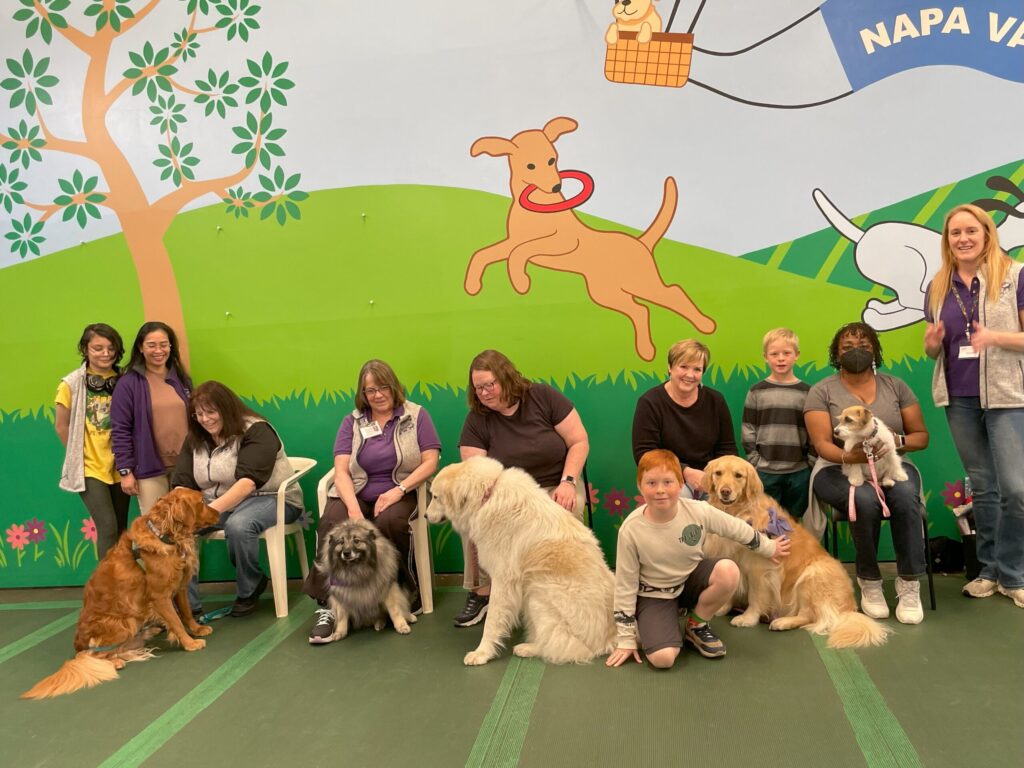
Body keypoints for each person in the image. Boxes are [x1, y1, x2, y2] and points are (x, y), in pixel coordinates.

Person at [924, 203, 1024, 608]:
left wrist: (995, 338)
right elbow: (936, 347)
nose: (962, 239)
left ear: (986, 233)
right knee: (982, 488)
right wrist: (932, 344)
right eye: (954, 233)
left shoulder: (1014, 275)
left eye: (970, 231)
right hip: (959, 397)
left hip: (1008, 395)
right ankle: (987, 571)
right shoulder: (938, 285)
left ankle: (1013, 572)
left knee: (1016, 491)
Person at [606, 450, 789, 670]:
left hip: (689, 582)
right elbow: (625, 584)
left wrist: (769, 547)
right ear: (640, 486)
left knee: (728, 570)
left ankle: (696, 625)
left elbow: (738, 528)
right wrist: (626, 639)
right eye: (651, 483)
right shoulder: (631, 529)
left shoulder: (698, 510)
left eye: (668, 482)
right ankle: (659, 624)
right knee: (664, 659)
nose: (661, 490)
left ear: (680, 484)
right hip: (655, 594)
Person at [304, 360, 440, 643]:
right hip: (357, 492)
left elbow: (431, 461)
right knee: (334, 523)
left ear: (394, 387)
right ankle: (328, 605)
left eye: (383, 388)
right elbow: (340, 470)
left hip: (400, 490)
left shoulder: (416, 415)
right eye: (370, 391)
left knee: (391, 522)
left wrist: (399, 490)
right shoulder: (352, 421)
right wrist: (354, 511)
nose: (377, 395)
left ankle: (404, 590)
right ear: (362, 394)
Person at [804, 322, 929, 624]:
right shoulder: (822, 390)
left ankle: (909, 583)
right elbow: (822, 444)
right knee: (863, 498)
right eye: (847, 346)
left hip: (891, 463)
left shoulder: (896, 386)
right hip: (837, 467)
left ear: (875, 350)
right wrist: (853, 455)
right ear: (836, 353)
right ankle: (869, 581)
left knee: (905, 495)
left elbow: (920, 437)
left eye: (863, 345)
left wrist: (895, 443)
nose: (856, 350)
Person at [456, 349, 589, 628]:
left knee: (567, 508)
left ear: (505, 377)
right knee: (473, 522)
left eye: (488, 385)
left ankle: (564, 591)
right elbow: (476, 472)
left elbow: (578, 441)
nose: (483, 393)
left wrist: (568, 482)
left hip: (555, 484)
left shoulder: (542, 396)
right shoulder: (477, 419)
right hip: (507, 494)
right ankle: (482, 594)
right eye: (477, 388)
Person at [171, 380, 303, 618]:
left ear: (227, 409)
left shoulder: (257, 430)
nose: (205, 419)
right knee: (179, 529)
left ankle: (250, 587)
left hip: (270, 498)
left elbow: (247, 483)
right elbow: (182, 481)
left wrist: (206, 513)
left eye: (211, 412)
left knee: (239, 525)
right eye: (199, 414)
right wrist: (181, 517)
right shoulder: (195, 439)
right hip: (219, 502)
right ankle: (186, 606)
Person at [55, 323, 130, 559]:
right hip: (90, 467)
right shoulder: (71, 384)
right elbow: (61, 425)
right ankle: (108, 589)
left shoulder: (125, 381)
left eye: (111, 348)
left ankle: (123, 584)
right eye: (98, 348)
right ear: (85, 349)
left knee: (120, 529)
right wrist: (77, 455)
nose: (105, 353)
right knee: (107, 526)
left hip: (121, 466)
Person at [631, 339, 737, 498]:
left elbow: (727, 448)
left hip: (709, 476)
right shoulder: (650, 402)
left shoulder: (716, 400)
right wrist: (686, 472)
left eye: (697, 369)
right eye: (683, 367)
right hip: (667, 476)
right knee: (680, 499)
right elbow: (645, 454)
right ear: (670, 367)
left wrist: (715, 477)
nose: (690, 375)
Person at [111, 321, 192, 514]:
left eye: (164, 344)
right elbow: (120, 430)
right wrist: (125, 471)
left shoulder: (182, 380)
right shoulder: (128, 383)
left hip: (186, 467)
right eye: (151, 345)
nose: (159, 350)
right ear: (140, 347)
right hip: (149, 469)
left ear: (171, 347)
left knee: (188, 527)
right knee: (157, 529)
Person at [741, 328, 813, 518]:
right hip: (765, 471)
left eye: (786, 353)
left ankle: (793, 549)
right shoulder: (757, 391)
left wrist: (810, 462)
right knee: (766, 520)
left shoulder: (807, 392)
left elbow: (814, 430)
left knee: (793, 521)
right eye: (774, 354)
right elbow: (748, 428)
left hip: (799, 471)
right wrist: (754, 460)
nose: (780, 358)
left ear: (796, 355)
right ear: (766, 357)